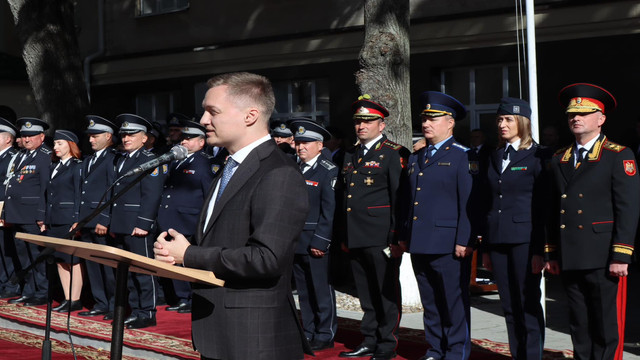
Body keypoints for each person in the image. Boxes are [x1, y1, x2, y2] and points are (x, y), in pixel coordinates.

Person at [153, 72, 310, 360]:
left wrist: (189, 255)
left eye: (213, 111)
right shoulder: (229, 166)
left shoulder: (278, 173)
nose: (202, 120)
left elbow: (267, 259)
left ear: (250, 116)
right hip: (221, 331)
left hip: (254, 339)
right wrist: (177, 251)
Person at [546, 83, 640, 360]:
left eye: (585, 113)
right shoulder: (559, 158)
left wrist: (621, 253)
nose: (576, 118)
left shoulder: (618, 155)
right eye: (572, 114)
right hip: (571, 252)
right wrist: (551, 250)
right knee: (579, 321)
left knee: (605, 323)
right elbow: (553, 209)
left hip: (603, 254)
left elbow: (628, 208)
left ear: (601, 119)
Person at [400, 91, 473, 360]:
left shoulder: (462, 155)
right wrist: (405, 234)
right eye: (424, 119)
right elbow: (411, 200)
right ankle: (435, 348)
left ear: (450, 122)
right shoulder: (418, 156)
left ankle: (456, 352)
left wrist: (464, 240)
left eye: (433, 119)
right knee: (430, 302)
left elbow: (467, 203)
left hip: (448, 241)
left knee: (452, 302)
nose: (426, 124)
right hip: (420, 240)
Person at [337, 95, 408, 360]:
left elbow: (398, 198)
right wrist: (344, 235)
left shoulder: (393, 153)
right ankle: (369, 339)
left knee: (385, 292)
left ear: (381, 124)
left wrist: (396, 237)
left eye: (368, 121)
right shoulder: (350, 154)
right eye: (358, 121)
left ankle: (387, 344)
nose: (361, 126)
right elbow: (346, 198)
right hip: (356, 234)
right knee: (365, 293)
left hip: (381, 236)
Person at [482, 98, 547, 359]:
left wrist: (541, 249)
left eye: (508, 119)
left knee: (527, 302)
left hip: (525, 239)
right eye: (499, 119)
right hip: (497, 238)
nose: (502, 124)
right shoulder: (493, 154)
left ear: (522, 122)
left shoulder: (538, 155)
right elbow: (488, 202)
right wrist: (485, 245)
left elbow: (542, 206)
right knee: (508, 304)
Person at [110, 113, 165, 329]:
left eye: (132, 134)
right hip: (122, 223)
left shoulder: (149, 160)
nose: (126, 138)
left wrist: (143, 224)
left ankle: (148, 312)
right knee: (128, 272)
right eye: (124, 134)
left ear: (144, 138)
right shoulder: (121, 159)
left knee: (143, 271)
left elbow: (151, 195)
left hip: (137, 225)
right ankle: (135, 310)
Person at [156, 118, 216, 314]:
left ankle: (188, 298)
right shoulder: (177, 160)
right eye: (183, 138)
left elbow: (209, 195)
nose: (184, 142)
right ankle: (179, 296)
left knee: (186, 262)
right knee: (171, 261)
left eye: (189, 138)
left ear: (201, 142)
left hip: (189, 220)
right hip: (171, 218)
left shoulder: (205, 164)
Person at [289, 118, 338, 352]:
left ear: (320, 146)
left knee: (320, 290)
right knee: (304, 291)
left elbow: (329, 211)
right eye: (298, 143)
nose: (301, 147)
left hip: (315, 240)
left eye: (307, 143)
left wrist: (322, 241)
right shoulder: (294, 168)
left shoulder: (328, 171)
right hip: (296, 241)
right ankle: (307, 330)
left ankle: (325, 332)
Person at [4, 117, 52, 306]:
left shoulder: (45, 156)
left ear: (41, 136)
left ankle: (42, 292)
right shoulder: (21, 155)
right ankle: (28, 289)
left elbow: (45, 188)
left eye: (31, 136)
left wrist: (42, 215)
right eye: (24, 136)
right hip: (17, 213)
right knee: (23, 255)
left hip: (32, 215)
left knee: (37, 255)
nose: (26, 139)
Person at [77, 115, 118, 320]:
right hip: (86, 219)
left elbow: (112, 191)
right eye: (90, 136)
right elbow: (82, 191)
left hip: (100, 220)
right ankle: (100, 302)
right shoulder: (89, 159)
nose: (91, 140)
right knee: (92, 265)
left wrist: (104, 218)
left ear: (108, 136)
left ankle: (112, 304)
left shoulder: (112, 158)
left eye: (95, 136)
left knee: (107, 266)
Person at [43, 130, 84, 313]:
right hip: (54, 218)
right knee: (60, 259)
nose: (56, 147)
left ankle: (75, 299)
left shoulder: (77, 166)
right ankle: (67, 297)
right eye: (55, 144)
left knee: (72, 259)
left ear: (71, 145)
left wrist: (77, 219)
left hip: (68, 218)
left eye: (60, 143)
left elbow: (78, 194)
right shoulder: (55, 166)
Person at [0, 118, 20, 298]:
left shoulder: (13, 157)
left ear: (8, 139)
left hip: (5, 208)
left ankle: (10, 284)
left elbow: (9, 186)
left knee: (7, 248)